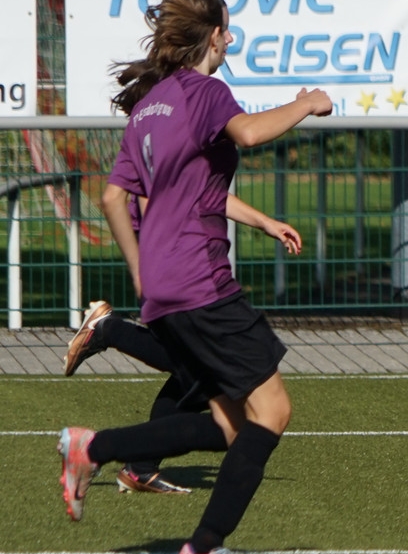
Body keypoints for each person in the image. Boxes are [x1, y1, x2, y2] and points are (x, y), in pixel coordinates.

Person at [57, 0, 333, 554]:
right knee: (272, 410)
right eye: (228, 31)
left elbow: (114, 198)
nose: (231, 40)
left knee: (233, 425)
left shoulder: (150, 107)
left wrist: (142, 271)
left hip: (164, 284)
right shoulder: (206, 92)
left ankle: (93, 449)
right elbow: (250, 133)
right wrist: (308, 103)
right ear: (213, 37)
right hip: (201, 278)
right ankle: (201, 551)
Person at [63, 195, 305, 495]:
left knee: (195, 373)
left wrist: (265, 223)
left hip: (192, 265)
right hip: (181, 267)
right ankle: (108, 332)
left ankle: (140, 465)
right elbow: (125, 196)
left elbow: (207, 191)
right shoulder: (171, 168)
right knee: (209, 371)